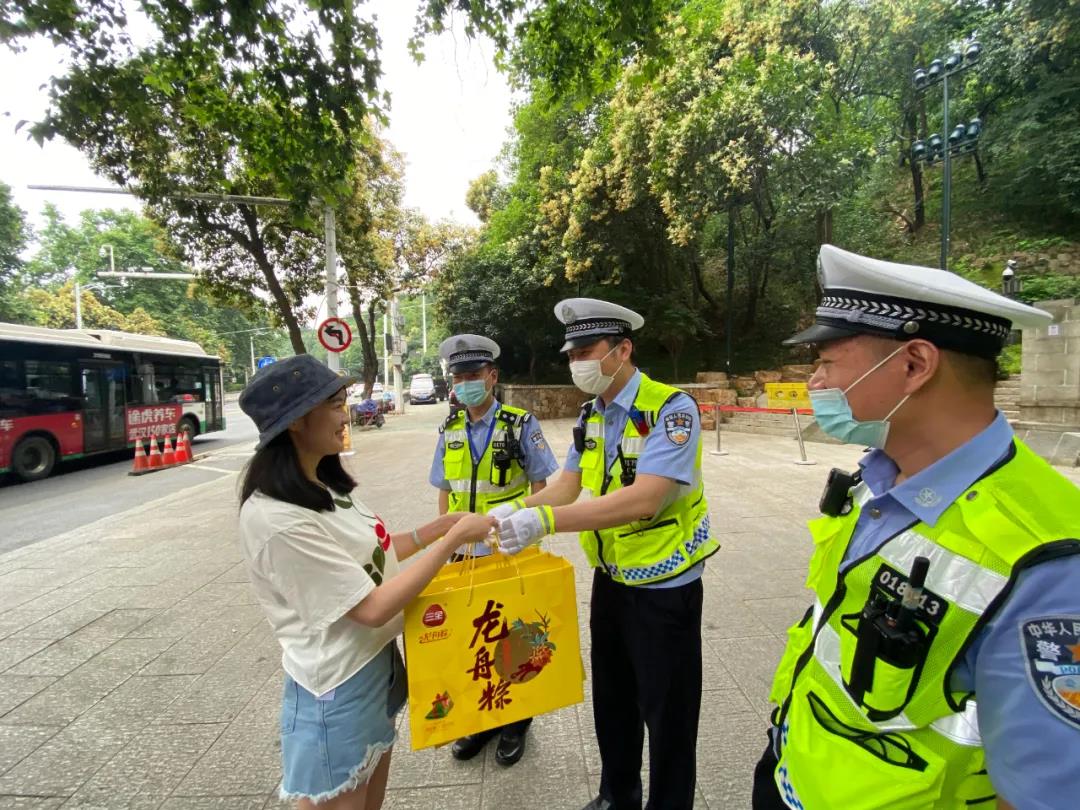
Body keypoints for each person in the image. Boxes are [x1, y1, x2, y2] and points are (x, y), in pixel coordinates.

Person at [751, 245, 1080, 810]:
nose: (815, 381)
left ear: (914, 365)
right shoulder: (881, 474)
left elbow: (1043, 795)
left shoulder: (1048, 563)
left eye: (827, 361)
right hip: (794, 767)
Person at [236, 354, 495, 810]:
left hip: (376, 666)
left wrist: (434, 530)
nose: (347, 415)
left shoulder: (322, 486)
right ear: (296, 421)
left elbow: (373, 553)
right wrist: (453, 541)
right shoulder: (277, 520)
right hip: (337, 687)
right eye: (336, 404)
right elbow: (371, 607)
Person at [494, 299, 719, 810]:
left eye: (586, 351)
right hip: (612, 579)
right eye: (572, 354)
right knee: (613, 699)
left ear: (622, 350)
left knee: (668, 713)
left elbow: (646, 498)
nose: (577, 363)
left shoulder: (671, 409)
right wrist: (510, 512)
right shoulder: (591, 415)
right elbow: (567, 487)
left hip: (665, 585)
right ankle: (616, 797)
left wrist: (545, 523)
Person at [428, 333, 560, 766]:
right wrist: (447, 542)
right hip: (464, 554)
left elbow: (542, 485)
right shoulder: (449, 429)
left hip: (508, 551)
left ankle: (516, 721)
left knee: (514, 639)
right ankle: (482, 720)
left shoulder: (520, 425)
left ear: (492, 376)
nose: (465, 383)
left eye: (473, 375)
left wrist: (527, 536)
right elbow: (444, 489)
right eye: (458, 377)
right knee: (474, 640)